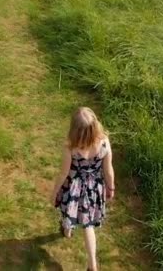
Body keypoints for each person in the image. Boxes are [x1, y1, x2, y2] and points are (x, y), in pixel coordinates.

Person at [50, 107, 115, 271]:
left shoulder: (71, 148)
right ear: (96, 126)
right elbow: (108, 170)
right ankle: (91, 261)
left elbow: (64, 173)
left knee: (70, 211)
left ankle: (68, 231)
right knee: (88, 223)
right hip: (94, 188)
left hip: (73, 188)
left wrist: (55, 192)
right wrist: (110, 187)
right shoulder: (104, 143)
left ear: (74, 130)